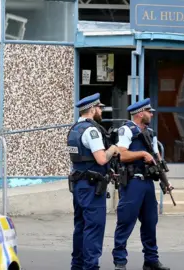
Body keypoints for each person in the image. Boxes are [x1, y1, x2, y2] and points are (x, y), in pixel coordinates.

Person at [112, 98, 171, 270]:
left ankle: (151, 260)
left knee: (150, 222)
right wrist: (142, 154)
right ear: (139, 114)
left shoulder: (150, 133)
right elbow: (121, 155)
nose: (151, 114)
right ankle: (120, 261)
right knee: (126, 221)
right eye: (148, 112)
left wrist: (165, 181)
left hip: (147, 184)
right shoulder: (126, 130)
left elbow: (156, 158)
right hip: (132, 183)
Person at [67, 93, 120, 270]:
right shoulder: (91, 130)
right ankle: (90, 266)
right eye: (99, 108)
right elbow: (101, 159)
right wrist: (113, 148)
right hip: (91, 187)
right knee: (94, 228)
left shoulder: (75, 129)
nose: (101, 111)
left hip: (79, 185)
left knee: (80, 226)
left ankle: (77, 265)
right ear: (92, 109)